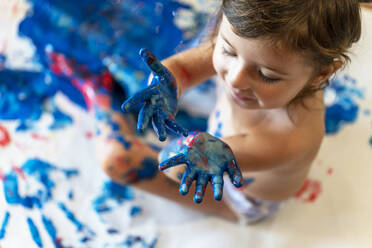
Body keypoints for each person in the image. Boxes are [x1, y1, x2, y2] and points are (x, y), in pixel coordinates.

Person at [94, 0, 363, 224]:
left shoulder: (290, 138)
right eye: (227, 51)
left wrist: (191, 146)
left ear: (321, 74)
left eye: (267, 75)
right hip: (218, 146)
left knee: (116, 160)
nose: (234, 79)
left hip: (241, 197)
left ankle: (97, 96)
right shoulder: (249, 46)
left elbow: (173, 167)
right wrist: (166, 85)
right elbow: (183, 70)